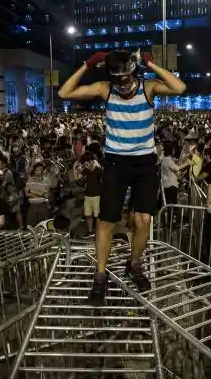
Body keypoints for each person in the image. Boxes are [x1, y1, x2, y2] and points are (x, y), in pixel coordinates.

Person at [58, 49, 186, 306]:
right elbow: (64, 93)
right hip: (116, 162)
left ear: (133, 71)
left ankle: (134, 264)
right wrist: (87, 64)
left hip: (145, 162)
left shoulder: (148, 88)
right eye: (119, 79)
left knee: (144, 219)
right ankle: (100, 275)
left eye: (127, 77)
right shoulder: (106, 89)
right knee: (106, 221)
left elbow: (180, 87)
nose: (124, 83)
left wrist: (150, 63)